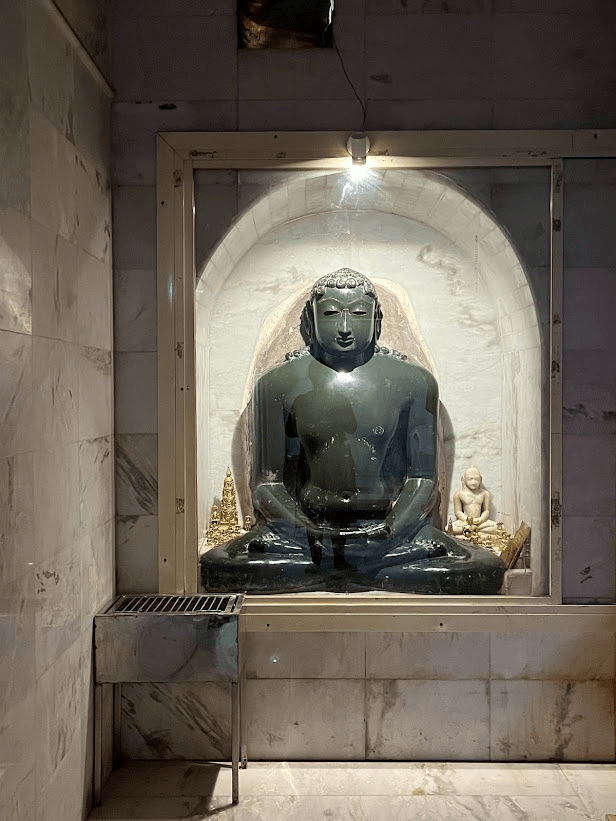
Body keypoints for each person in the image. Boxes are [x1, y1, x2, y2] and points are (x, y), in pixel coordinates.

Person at [200, 269, 505, 594]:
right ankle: (363, 572)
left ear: (376, 320)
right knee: (218, 564)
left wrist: (388, 531)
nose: (345, 328)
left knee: (483, 567)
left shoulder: (414, 382)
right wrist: (309, 533)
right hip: (304, 538)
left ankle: (338, 572)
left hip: (389, 533)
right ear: (310, 319)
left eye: (358, 314)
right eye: (331, 313)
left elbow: (422, 481)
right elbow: (266, 485)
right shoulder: (277, 384)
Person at [452, 466, 498, 537]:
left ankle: (471, 530)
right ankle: (472, 530)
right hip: (465, 522)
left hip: (480, 522)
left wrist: (480, 519)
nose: (473, 482)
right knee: (449, 528)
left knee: (499, 527)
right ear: (463, 479)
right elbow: (458, 512)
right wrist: (467, 519)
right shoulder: (459, 494)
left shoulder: (485, 494)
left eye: (476, 479)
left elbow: (486, 511)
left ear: (481, 479)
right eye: (470, 479)